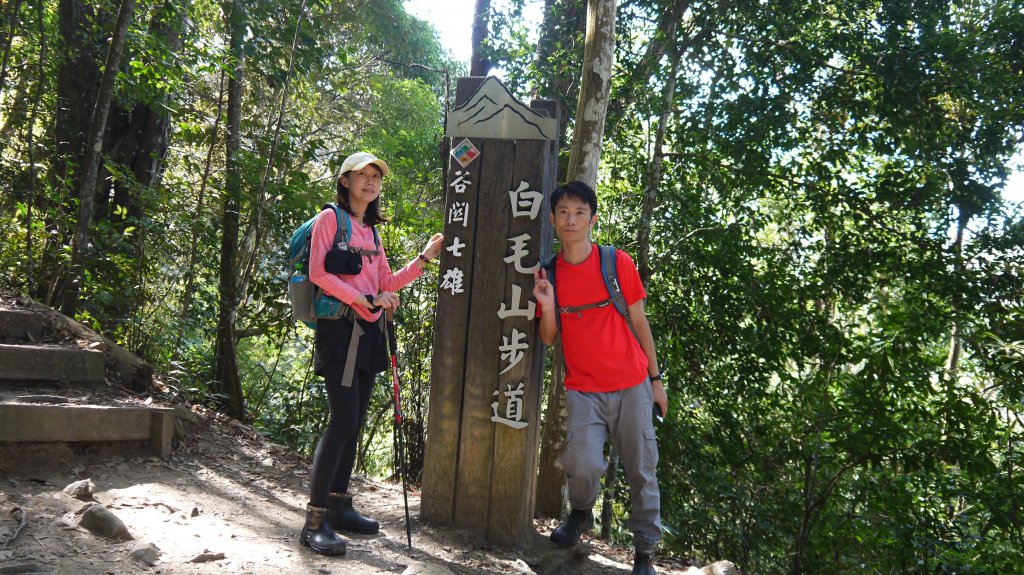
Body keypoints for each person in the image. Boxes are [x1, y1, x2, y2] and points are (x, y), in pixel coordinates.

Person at [300, 152, 444, 556]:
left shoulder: (371, 231)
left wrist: (425, 257)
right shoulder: (332, 218)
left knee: (356, 421)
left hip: (367, 333)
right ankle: (314, 520)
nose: (370, 181)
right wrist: (366, 298)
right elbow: (318, 273)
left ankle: (340, 505)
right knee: (342, 421)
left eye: (376, 176)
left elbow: (387, 282)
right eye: (362, 174)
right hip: (340, 331)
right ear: (345, 181)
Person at [532, 180, 668, 575]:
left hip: (632, 385)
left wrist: (656, 381)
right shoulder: (550, 272)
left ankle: (644, 554)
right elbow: (548, 337)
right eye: (563, 212)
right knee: (584, 462)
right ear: (554, 220)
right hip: (583, 388)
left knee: (642, 470)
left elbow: (641, 324)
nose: (570, 219)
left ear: (591, 218)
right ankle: (580, 514)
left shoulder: (616, 262)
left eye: (578, 212)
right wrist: (546, 304)